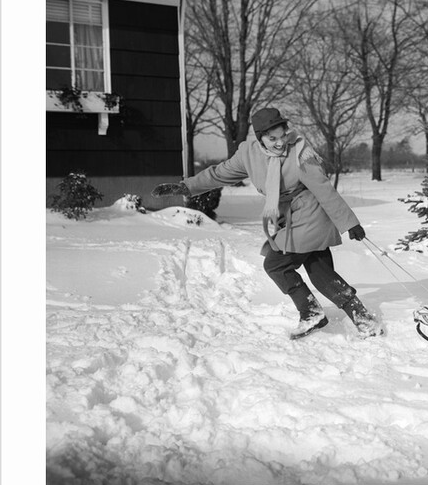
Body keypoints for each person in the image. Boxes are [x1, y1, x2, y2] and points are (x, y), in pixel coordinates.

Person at [152, 107, 383, 340]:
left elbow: (324, 189)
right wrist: (186, 186)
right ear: (259, 136)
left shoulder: (300, 153)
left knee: (276, 264)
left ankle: (311, 313)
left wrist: (349, 222)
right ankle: (363, 319)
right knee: (320, 272)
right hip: (290, 218)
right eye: (272, 138)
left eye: (283, 135)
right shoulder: (249, 155)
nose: (280, 142)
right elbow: (219, 174)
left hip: (311, 214)